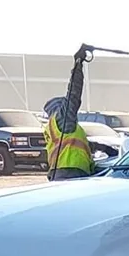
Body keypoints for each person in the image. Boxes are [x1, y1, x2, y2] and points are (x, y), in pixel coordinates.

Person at [43, 45, 95, 180]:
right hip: (70, 174)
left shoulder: (55, 127)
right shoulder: (62, 120)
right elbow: (73, 95)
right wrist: (78, 65)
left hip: (62, 173)